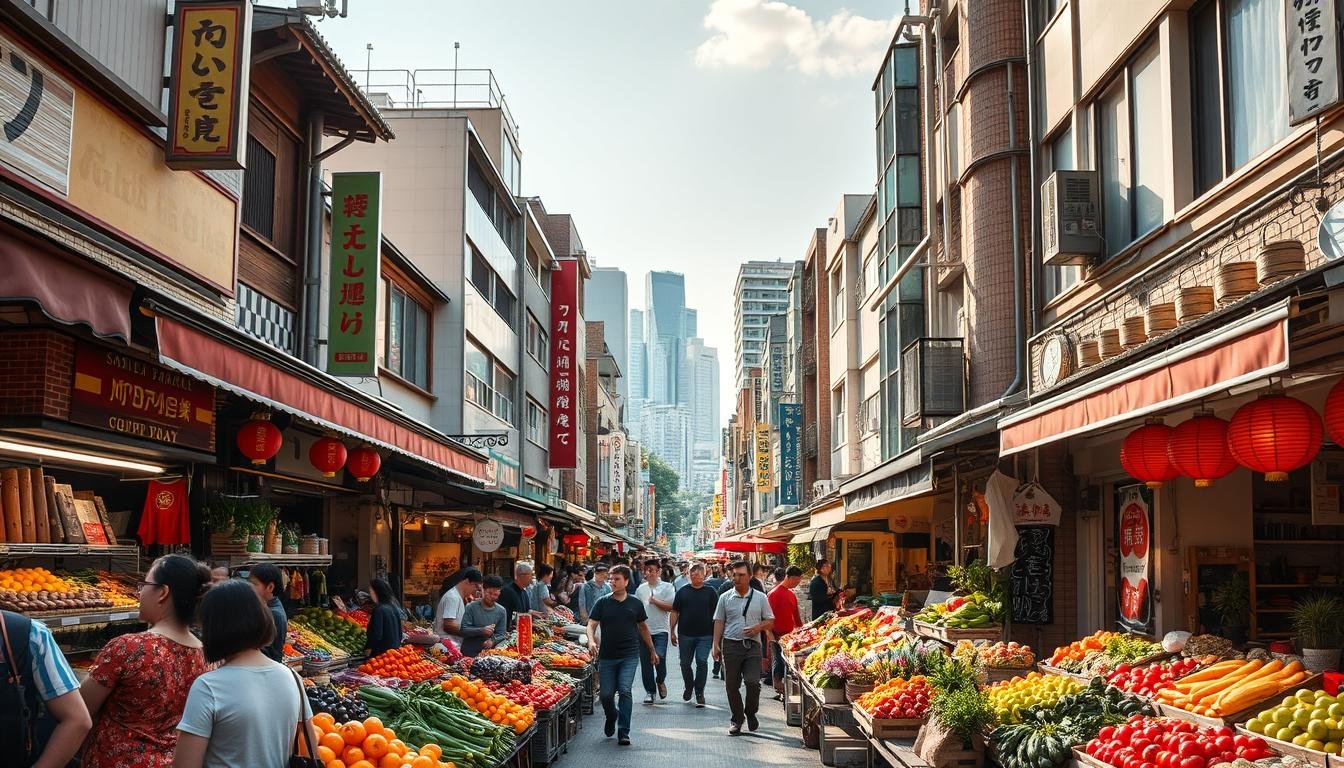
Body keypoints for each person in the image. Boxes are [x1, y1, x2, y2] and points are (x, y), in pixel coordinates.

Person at [81, 554, 210, 768]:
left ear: (162, 593)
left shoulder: (129, 648)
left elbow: (80, 710)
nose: (140, 592)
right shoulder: (206, 656)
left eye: (145, 584)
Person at [174, 579, 317, 768]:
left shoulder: (208, 687)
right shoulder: (292, 678)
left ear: (214, 629)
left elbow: (185, 765)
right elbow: (312, 751)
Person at [586, 565, 659, 746]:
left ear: (626, 581)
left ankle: (624, 731)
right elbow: (591, 624)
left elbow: (643, 627)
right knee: (606, 695)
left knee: (625, 691)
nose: (613, 582)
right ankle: (612, 715)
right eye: (611, 578)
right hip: (607, 656)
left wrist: (651, 650)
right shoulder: (602, 602)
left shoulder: (635, 603)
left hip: (629, 655)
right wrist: (591, 641)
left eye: (617, 579)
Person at [712, 560, 774, 736]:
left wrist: (758, 628)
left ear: (750, 576)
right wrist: (715, 644)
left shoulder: (760, 597)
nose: (737, 578)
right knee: (731, 685)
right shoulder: (725, 597)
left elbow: (770, 620)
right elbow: (719, 621)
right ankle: (737, 719)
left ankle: (751, 711)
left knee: (753, 682)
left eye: (742, 575)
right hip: (731, 645)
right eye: (735, 575)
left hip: (753, 646)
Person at [669, 563, 718, 707]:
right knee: (685, 663)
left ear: (703, 575)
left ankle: (699, 691)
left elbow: (716, 615)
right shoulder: (683, 592)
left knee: (702, 662)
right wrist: (672, 631)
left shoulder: (710, 592)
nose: (694, 577)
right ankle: (689, 685)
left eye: (697, 574)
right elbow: (675, 611)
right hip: (685, 634)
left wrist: (716, 637)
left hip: (705, 634)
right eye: (692, 574)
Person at [634, 560, 675, 703]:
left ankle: (660, 679)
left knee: (660, 657)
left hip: (661, 630)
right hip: (644, 630)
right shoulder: (640, 589)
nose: (648, 573)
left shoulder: (668, 587)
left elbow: (671, 607)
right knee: (646, 663)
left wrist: (655, 601)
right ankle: (650, 692)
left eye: (652, 570)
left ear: (659, 571)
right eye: (646, 570)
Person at [767, 566, 805, 700]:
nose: (797, 583)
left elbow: (796, 616)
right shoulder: (773, 594)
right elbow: (766, 617)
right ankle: (778, 687)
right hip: (777, 634)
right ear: (789, 577)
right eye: (796, 580)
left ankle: (785, 689)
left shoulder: (791, 594)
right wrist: (770, 635)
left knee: (787, 663)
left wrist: (801, 631)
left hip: (791, 636)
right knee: (778, 661)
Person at [247, 563, 287, 663]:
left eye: (254, 584)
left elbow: (274, 655)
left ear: (270, 587)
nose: (249, 587)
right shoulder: (264, 606)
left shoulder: (275, 614)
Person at [459, 576, 508, 656]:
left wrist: (492, 641)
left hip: (489, 655)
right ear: (483, 590)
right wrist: (482, 630)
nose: (492, 597)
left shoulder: (501, 611)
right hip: (469, 653)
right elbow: (463, 630)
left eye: (495, 594)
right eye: (489, 593)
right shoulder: (471, 607)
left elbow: (501, 634)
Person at [436, 567, 483, 650]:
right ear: (467, 581)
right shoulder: (452, 597)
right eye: (476, 586)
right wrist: (474, 632)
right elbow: (448, 625)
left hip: (454, 646)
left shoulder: (458, 596)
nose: (475, 590)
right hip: (447, 647)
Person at [364, 578, 403, 658]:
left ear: (376, 592)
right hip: (393, 653)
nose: (370, 594)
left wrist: (369, 648)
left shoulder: (379, 609)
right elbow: (400, 632)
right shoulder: (393, 607)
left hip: (381, 655)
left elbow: (377, 634)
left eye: (370, 591)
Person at [498, 562, 536, 628]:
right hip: (508, 630)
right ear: (522, 575)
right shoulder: (507, 591)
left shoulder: (524, 592)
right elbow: (505, 613)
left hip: (520, 628)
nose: (531, 578)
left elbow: (527, 610)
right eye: (531, 575)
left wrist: (538, 614)